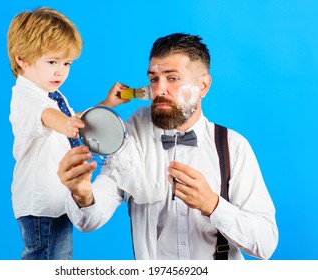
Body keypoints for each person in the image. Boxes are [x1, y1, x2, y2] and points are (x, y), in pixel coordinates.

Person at [59, 33, 278, 260]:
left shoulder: (232, 147)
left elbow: (265, 244)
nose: (159, 90)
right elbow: (89, 220)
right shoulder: (129, 142)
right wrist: (82, 195)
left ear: (202, 86)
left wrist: (213, 205)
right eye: (154, 79)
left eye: (172, 78)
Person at [7, 7, 127, 260]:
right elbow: (49, 117)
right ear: (22, 59)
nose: (60, 71)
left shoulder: (51, 94)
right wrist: (66, 125)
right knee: (49, 259)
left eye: (66, 63)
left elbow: (72, 119)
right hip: (42, 206)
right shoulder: (26, 95)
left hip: (57, 201)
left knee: (57, 258)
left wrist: (105, 104)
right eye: (52, 62)